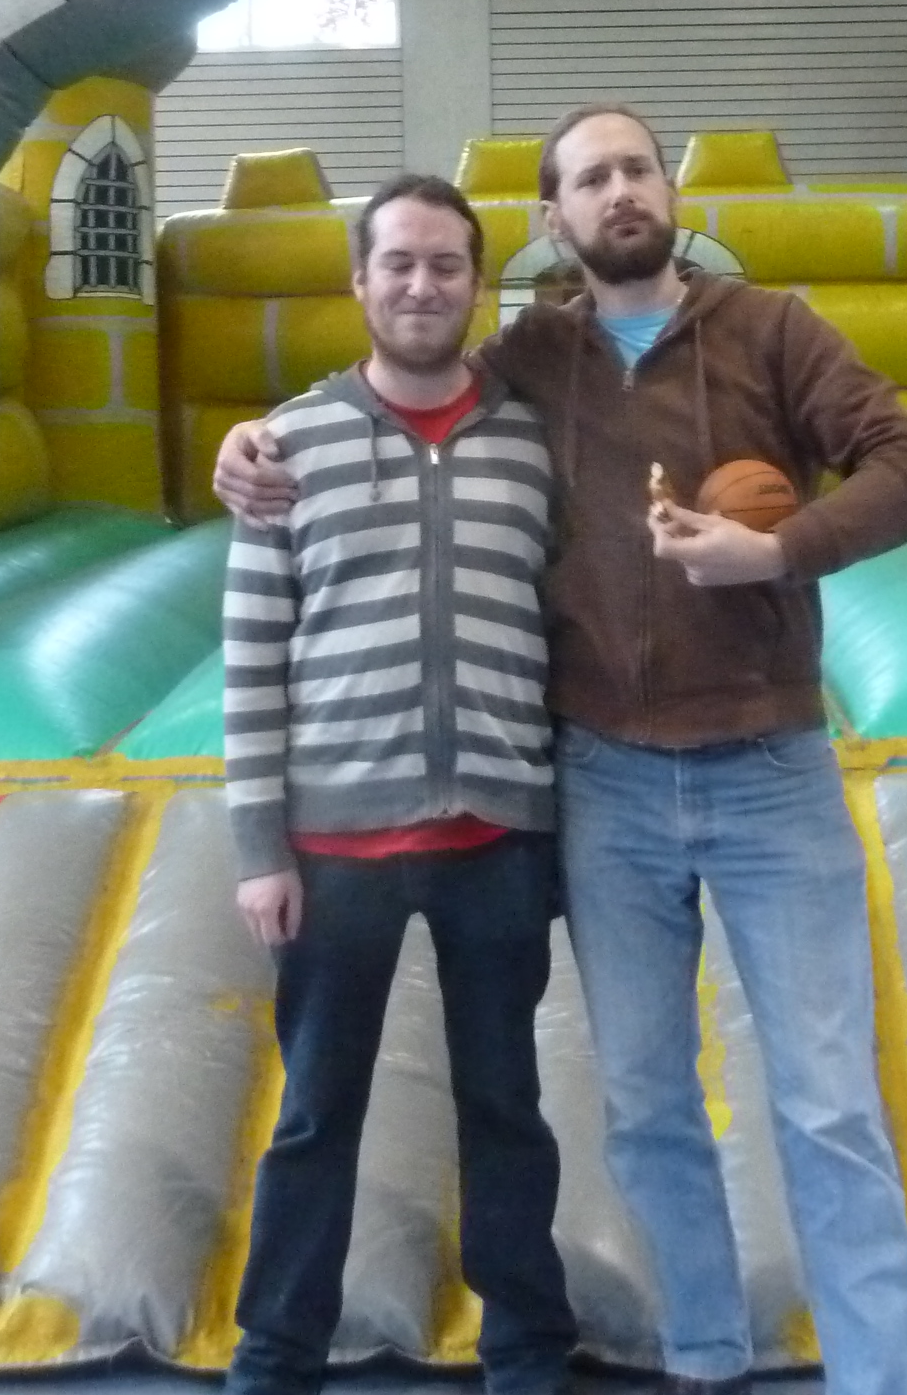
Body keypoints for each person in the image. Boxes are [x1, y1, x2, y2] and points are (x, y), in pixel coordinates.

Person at [217, 107, 907, 1395]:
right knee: (643, 1105)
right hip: (602, 779)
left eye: (637, 169)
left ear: (669, 191)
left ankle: (869, 1376)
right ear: (553, 221)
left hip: (760, 770)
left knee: (826, 1103)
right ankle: (705, 1355)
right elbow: (393, 378)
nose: (620, 192)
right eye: (590, 178)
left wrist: (780, 550)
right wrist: (248, 442)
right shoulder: (531, 358)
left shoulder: (770, 330)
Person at [221, 172, 575, 1395]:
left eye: (446, 265)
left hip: (498, 841)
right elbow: (253, 650)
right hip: (334, 852)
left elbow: (566, 628)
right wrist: (258, 847)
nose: (422, 286)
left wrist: (558, 828)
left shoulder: (532, 440)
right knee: (316, 1112)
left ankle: (526, 1347)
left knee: (506, 1103)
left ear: (477, 286)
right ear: (359, 281)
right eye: (399, 263)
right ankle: (278, 1353)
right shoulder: (285, 446)